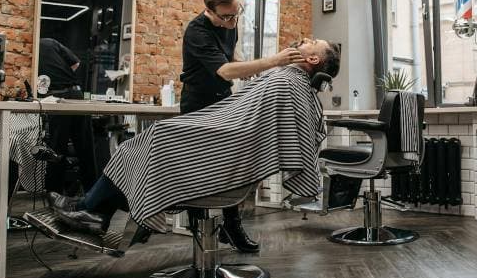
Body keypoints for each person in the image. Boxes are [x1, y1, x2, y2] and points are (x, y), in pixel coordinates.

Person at [47, 38, 341, 239]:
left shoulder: (286, 81)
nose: (305, 39)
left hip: (227, 154)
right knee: (141, 147)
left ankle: (90, 209)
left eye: (312, 42)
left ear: (312, 58)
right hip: (228, 145)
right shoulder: (287, 81)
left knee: (155, 137)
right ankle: (93, 211)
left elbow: (244, 126)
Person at [178, 0, 305, 252]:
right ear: (210, 11)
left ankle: (232, 227)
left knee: (232, 164)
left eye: (237, 14)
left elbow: (232, 58)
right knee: (197, 169)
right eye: (227, 17)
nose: (233, 21)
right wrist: (274, 60)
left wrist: (252, 69)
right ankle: (200, 231)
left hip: (223, 100)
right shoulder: (197, 32)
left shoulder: (230, 21)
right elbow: (224, 71)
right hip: (197, 104)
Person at [38, 37, 99, 194]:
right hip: (76, 94)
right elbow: (75, 63)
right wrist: (64, 77)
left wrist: (56, 81)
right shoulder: (51, 42)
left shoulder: (33, 51)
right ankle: (93, 193)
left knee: (57, 148)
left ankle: (55, 193)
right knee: (85, 148)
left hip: (58, 97)